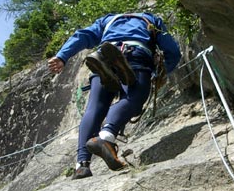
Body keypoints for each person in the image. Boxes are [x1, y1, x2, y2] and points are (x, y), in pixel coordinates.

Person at [47, 12, 182, 179]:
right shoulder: (151, 20)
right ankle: (106, 135)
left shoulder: (108, 20)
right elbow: (173, 51)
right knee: (135, 98)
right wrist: (161, 72)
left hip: (103, 53)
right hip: (136, 55)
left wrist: (62, 56)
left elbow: (83, 35)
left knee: (96, 106)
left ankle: (81, 165)